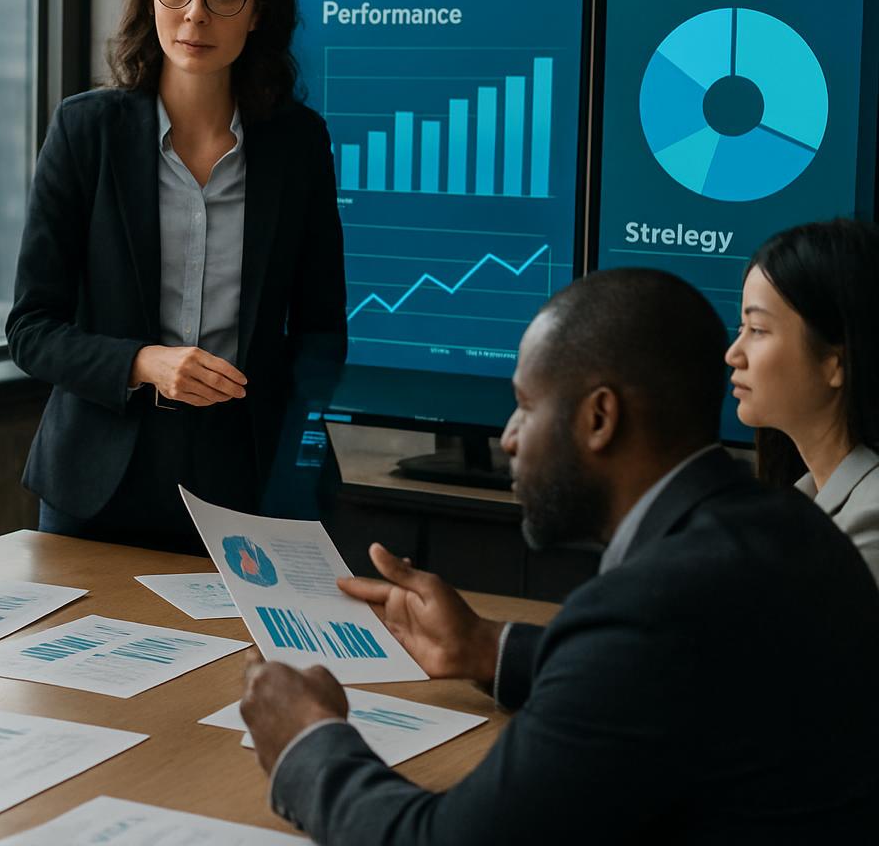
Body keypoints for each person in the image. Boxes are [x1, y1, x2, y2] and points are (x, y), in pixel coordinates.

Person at [241, 268, 879, 842]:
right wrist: (487, 648)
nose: (510, 438)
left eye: (524, 406)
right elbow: (684, 682)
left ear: (600, 417)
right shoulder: (787, 525)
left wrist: (307, 741)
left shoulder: (651, 607)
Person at [7, 0, 345, 552]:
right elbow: (31, 330)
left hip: (248, 474)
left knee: (247, 659)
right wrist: (144, 362)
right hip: (98, 478)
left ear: (257, 12)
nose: (195, 13)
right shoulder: (86, 132)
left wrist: (297, 465)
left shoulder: (297, 144)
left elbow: (321, 332)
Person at [727, 218, 879, 585]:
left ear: (836, 363)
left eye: (759, 330)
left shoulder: (868, 528)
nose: (734, 354)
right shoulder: (806, 498)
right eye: (741, 329)